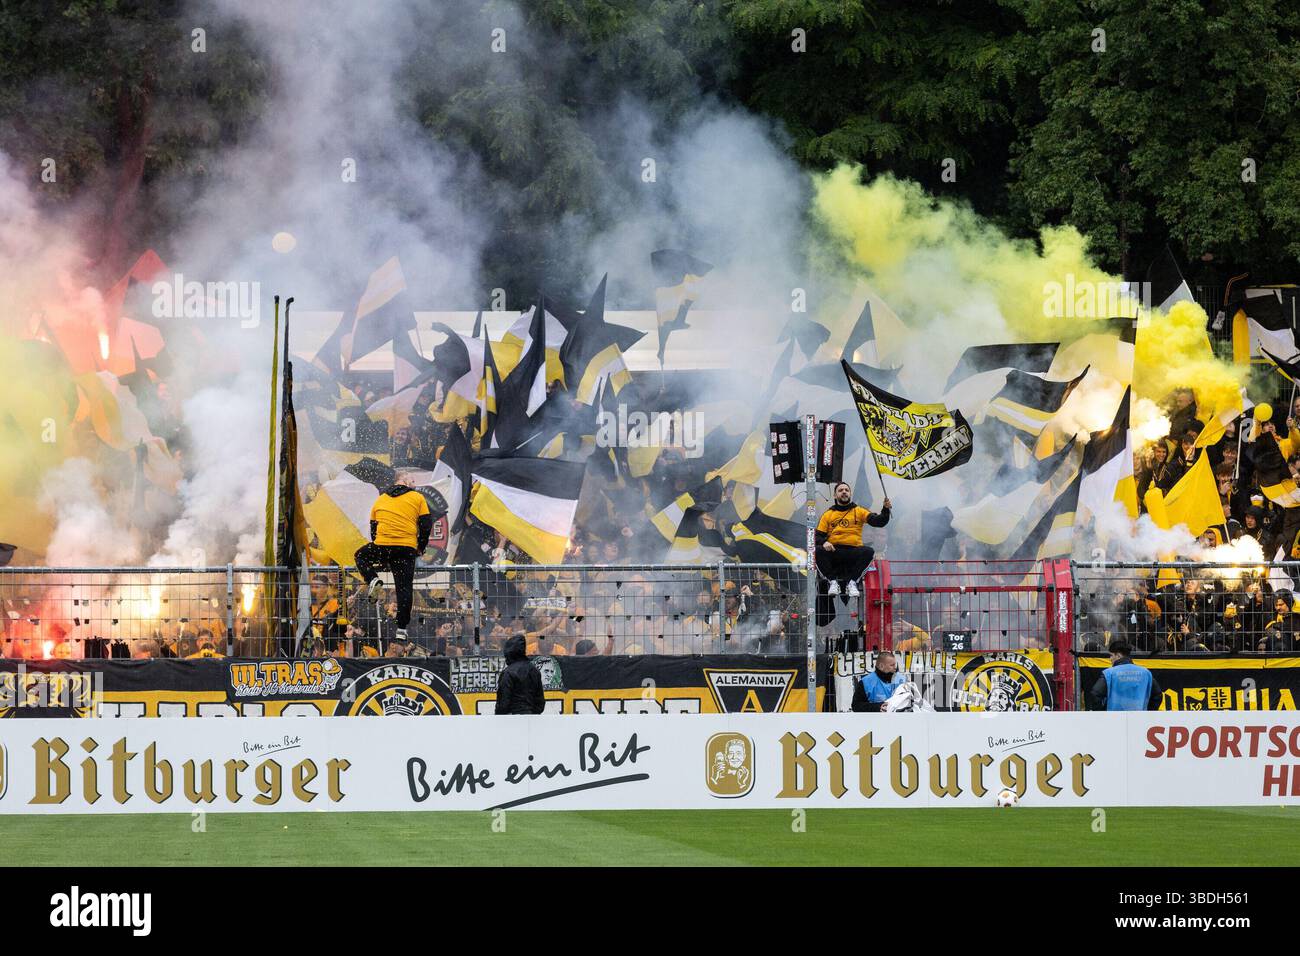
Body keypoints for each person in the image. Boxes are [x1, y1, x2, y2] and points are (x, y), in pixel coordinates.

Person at [354, 481, 433, 647]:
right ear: (408, 489)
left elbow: (374, 530)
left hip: (383, 545)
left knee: (360, 555)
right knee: (404, 587)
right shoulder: (417, 497)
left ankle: (372, 579)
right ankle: (402, 629)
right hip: (406, 549)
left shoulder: (380, 499)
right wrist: (421, 547)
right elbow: (426, 525)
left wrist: (383, 553)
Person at [815, 481, 891, 598]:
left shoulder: (859, 511)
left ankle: (852, 582)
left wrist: (885, 510)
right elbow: (817, 536)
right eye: (840, 490)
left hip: (854, 551)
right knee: (818, 550)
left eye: (846, 490)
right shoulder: (828, 514)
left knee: (869, 551)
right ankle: (833, 582)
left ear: (850, 494)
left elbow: (878, 521)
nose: (844, 492)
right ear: (835, 496)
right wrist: (824, 542)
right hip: (834, 551)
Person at [1088, 641, 1162, 711]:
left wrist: (1103, 712)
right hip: (1139, 719)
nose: (1110, 659)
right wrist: (1148, 712)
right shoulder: (1146, 673)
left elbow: (1095, 694)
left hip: (1114, 719)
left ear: (1118, 655)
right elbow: (1158, 695)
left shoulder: (1109, 673)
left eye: (1111, 655)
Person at [494, 633, 545, 714]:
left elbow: (503, 704)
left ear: (508, 653)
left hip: (512, 720)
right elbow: (540, 704)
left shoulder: (508, 673)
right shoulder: (534, 671)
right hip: (531, 720)